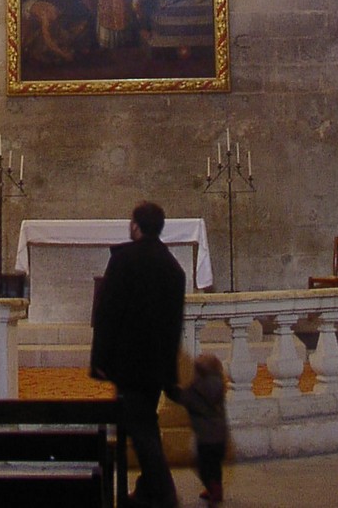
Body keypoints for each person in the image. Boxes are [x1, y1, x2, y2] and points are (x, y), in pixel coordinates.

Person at [90, 201, 185, 508]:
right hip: (156, 363)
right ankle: (148, 490)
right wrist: (169, 371)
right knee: (146, 422)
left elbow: (107, 314)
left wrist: (99, 360)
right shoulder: (173, 267)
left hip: (128, 362)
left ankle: (164, 493)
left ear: (136, 226)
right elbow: (174, 325)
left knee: (139, 427)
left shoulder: (123, 260)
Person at [172, 354, 228, 505]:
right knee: (215, 466)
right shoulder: (219, 386)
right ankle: (217, 488)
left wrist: (171, 389)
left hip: (205, 437)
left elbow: (183, 398)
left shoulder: (197, 389)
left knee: (201, 465)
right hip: (220, 435)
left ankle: (212, 488)